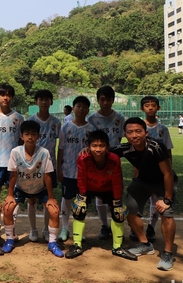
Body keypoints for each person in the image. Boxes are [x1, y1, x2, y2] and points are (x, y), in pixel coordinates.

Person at [111, 118, 177, 271]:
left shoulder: (156, 147)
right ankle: (145, 244)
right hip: (142, 181)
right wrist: (86, 150)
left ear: (146, 133)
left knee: (166, 213)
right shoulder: (126, 148)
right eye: (130, 132)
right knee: (130, 209)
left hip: (162, 181)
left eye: (138, 131)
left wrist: (167, 199)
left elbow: (168, 173)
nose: (134, 135)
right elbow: (103, 151)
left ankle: (168, 253)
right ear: (125, 135)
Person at [65, 130, 136, 260]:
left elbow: (117, 181)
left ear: (108, 146)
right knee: (79, 209)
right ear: (88, 146)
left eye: (102, 146)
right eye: (94, 146)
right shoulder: (83, 158)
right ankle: (77, 245)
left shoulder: (114, 159)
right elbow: (81, 178)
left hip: (108, 187)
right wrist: (82, 196)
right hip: (88, 187)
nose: (98, 149)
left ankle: (117, 247)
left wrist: (117, 200)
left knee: (118, 212)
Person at [3, 120, 63, 257]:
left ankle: (52, 242)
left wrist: (51, 197)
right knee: (7, 208)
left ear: (38, 136)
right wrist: (10, 195)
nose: (30, 137)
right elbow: (13, 174)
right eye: (27, 134)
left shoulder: (44, 152)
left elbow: (48, 175)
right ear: (21, 136)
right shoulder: (15, 152)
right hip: (21, 188)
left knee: (54, 211)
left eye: (33, 134)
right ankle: (9, 239)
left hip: (40, 188)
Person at [131, 96, 174, 244]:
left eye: (153, 105)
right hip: (142, 172)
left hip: (159, 173)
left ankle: (151, 227)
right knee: (138, 201)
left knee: (156, 202)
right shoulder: (139, 129)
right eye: (147, 105)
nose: (150, 108)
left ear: (158, 108)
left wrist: (169, 170)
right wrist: (136, 172)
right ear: (142, 108)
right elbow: (135, 153)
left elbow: (168, 151)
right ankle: (136, 228)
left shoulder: (163, 129)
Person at [86, 86, 125, 241]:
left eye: (109, 99)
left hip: (114, 162)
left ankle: (116, 225)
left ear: (113, 100)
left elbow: (120, 139)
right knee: (99, 193)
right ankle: (104, 225)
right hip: (97, 162)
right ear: (98, 100)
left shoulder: (119, 118)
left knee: (115, 194)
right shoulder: (91, 119)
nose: (106, 102)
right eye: (102, 99)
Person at [57, 95, 94, 242]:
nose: (81, 109)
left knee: (81, 201)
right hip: (68, 170)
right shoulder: (66, 127)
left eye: (84, 107)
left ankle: (79, 229)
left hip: (84, 173)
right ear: (73, 108)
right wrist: (59, 168)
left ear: (88, 110)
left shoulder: (91, 129)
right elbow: (60, 149)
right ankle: (65, 228)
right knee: (66, 199)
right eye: (78, 106)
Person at [27, 90, 61, 242]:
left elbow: (60, 146)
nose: (44, 102)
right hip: (32, 167)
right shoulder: (30, 120)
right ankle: (33, 229)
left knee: (48, 199)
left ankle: (46, 229)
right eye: (41, 99)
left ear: (51, 102)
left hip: (50, 166)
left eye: (47, 99)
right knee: (32, 199)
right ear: (36, 102)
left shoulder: (56, 122)